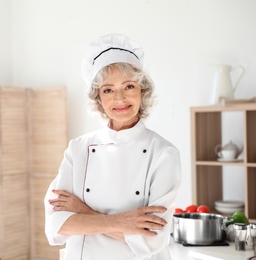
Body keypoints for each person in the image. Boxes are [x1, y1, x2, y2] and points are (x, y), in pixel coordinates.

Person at [44, 33, 182, 260]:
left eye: (128, 86)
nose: (119, 98)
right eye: (108, 89)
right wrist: (121, 222)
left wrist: (84, 213)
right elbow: (56, 225)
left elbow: (152, 239)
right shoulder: (77, 150)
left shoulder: (163, 154)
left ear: (142, 91)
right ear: (98, 98)